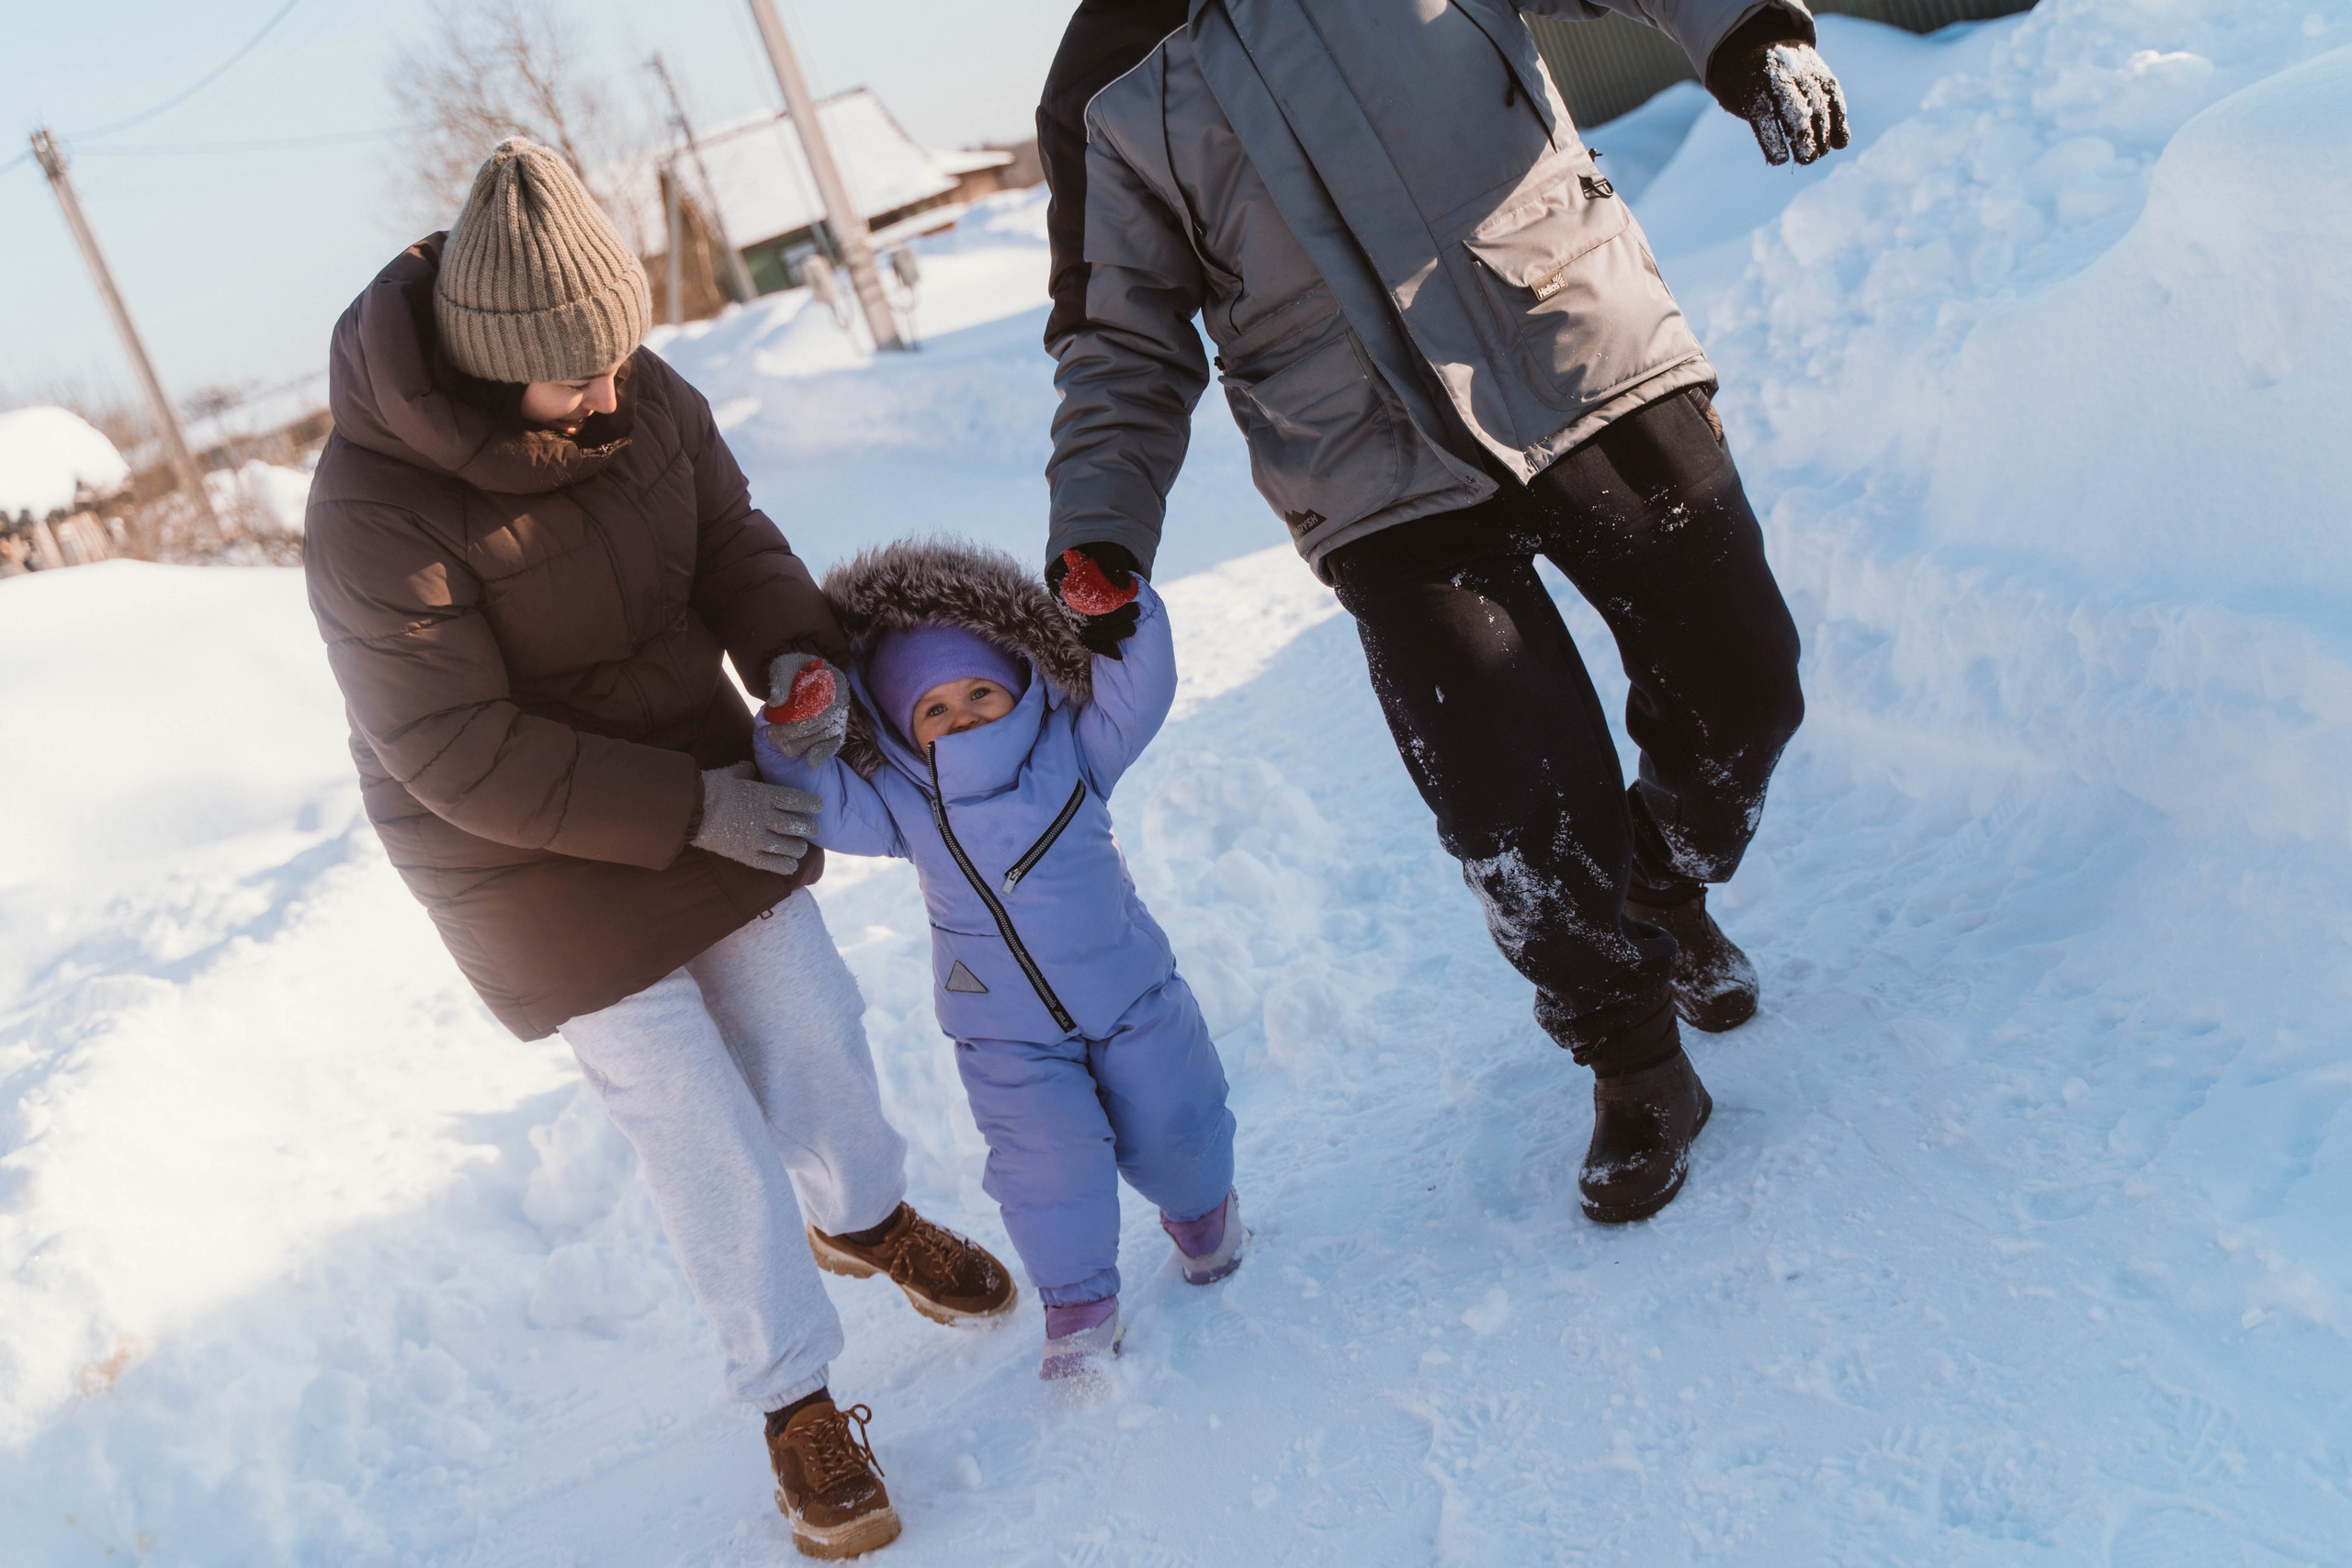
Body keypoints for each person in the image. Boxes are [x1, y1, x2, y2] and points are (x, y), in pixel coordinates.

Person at [302, 140, 1011, 1560]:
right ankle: (793, 1394)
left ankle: (867, 1217)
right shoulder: (370, 514)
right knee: (696, 1117)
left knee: (813, 1019)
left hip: (689, 766)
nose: (616, 390)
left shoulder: (635, 386)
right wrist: (689, 807)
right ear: (500, 364)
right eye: (581, 375)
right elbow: (453, 754)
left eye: (624, 355)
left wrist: (796, 662)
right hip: (517, 856)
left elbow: (728, 541)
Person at [1037, 0, 1848, 1224]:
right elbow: (1117, 333)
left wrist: (1745, 34)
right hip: (1362, 461)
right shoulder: (1103, 81)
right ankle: (1632, 1055)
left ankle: (1663, 882)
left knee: (1743, 680)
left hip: (1574, 335)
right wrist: (1100, 525)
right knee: (1508, 799)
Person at [753, 538, 1244, 1381]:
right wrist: (792, 733)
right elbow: (821, 803)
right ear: (899, 723)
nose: (963, 716)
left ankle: (1203, 1212)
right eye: (933, 708)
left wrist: (1122, 609)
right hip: (1003, 1031)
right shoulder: (903, 800)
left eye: (980, 691)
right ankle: (1079, 1303)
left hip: (1129, 991)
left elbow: (1141, 688)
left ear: (1020, 679)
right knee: (1044, 1167)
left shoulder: (1074, 748)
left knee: (1178, 1119)